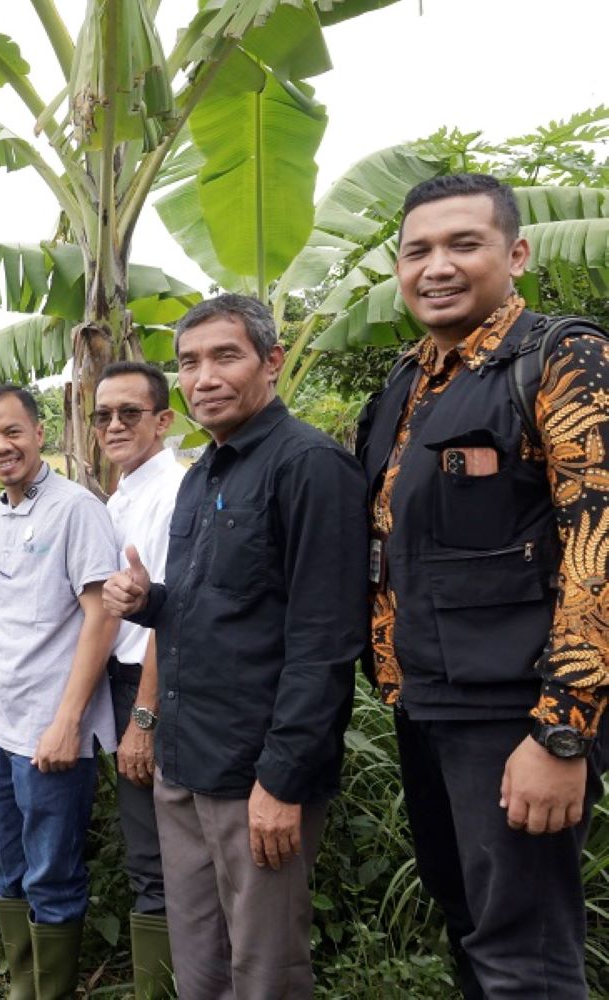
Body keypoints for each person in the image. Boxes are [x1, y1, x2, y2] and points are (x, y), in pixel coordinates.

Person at [355, 173, 609, 998]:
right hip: (425, 704)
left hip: (517, 719)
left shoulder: (559, 357)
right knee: (469, 925)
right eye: (417, 250)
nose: (437, 266)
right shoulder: (406, 383)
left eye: (463, 244)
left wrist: (563, 732)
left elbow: (597, 548)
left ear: (516, 253)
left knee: (524, 955)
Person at [103, 293, 368, 999]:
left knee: (264, 968)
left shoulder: (309, 466)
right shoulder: (202, 476)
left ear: (272, 361)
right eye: (189, 363)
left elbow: (326, 641)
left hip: (256, 775)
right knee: (200, 963)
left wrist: (282, 781)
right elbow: (211, 606)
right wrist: (148, 600)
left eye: (226, 356)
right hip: (185, 765)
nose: (203, 377)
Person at [0, 385, 118, 1000]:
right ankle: (23, 985)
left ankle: (49, 992)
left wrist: (68, 721)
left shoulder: (76, 510)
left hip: (51, 731)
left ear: (39, 433)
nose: (1, 447)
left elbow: (102, 618)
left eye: (12, 432)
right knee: (4, 865)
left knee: (52, 871)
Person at [92, 362, 184, 997]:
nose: (115, 425)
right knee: (144, 843)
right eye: (103, 415)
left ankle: (167, 985)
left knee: (159, 852)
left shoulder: (170, 491)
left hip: (148, 684)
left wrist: (142, 719)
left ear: (163, 420)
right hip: (121, 682)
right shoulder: (122, 494)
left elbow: (165, 620)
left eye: (130, 413)